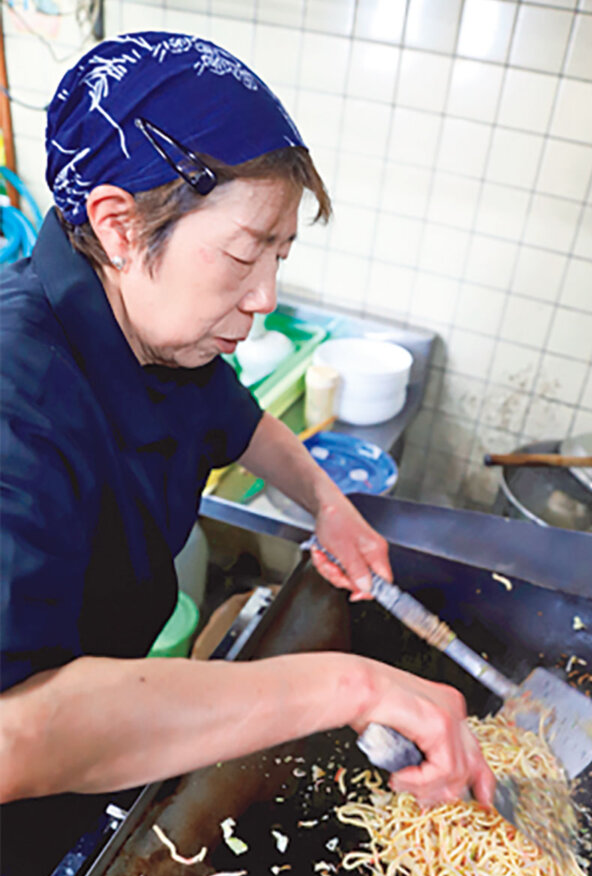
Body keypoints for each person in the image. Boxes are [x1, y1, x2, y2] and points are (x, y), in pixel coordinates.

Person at [0, 32, 494, 810]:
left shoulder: (160, 327)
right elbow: (13, 736)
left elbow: (239, 420)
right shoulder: (16, 401)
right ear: (118, 225)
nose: (264, 297)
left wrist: (329, 505)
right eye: (243, 255)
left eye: (280, 257)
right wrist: (352, 686)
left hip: (114, 719)